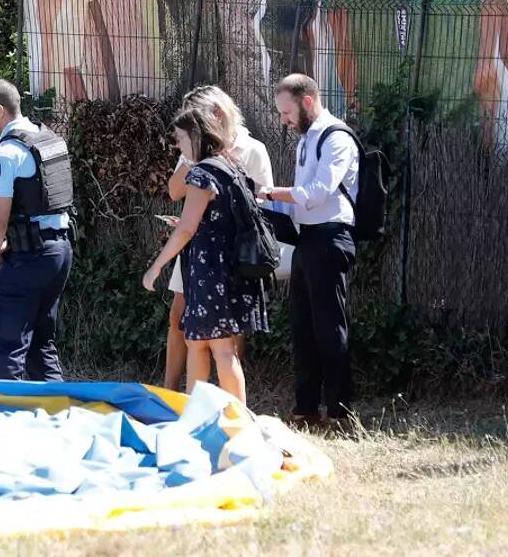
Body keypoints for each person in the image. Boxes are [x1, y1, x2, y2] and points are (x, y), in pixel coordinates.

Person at [141, 105, 269, 404]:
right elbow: (217, 219)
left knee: (222, 349)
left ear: (197, 136)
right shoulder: (229, 166)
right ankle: (195, 414)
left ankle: (237, 421)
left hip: (213, 272)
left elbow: (186, 229)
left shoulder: (202, 173)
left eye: (181, 139)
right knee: (196, 340)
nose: (178, 147)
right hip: (227, 269)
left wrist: (156, 267)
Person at [260, 73, 360, 428]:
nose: (283, 121)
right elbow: (301, 202)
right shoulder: (307, 139)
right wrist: (262, 204)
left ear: (307, 101)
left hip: (331, 238)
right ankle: (305, 410)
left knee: (330, 328)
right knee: (302, 328)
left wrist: (274, 193)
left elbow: (317, 193)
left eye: (286, 113)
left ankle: (339, 413)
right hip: (308, 240)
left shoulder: (336, 138)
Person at [0, 79, 75, 381]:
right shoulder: (50, 139)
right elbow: (45, 205)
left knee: (6, 345)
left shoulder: (5, 154)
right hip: (60, 250)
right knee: (41, 346)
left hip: (32, 257)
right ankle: (57, 418)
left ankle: (5, 420)